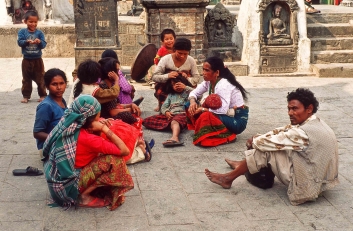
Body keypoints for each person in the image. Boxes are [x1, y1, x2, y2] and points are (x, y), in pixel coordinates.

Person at [205, 88, 339, 206]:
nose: (290, 113)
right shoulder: (316, 122)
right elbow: (284, 131)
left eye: (294, 109)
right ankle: (242, 164)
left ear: (309, 109)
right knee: (274, 142)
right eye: (289, 108)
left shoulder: (302, 133)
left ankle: (227, 178)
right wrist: (261, 136)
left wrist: (254, 140)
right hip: (321, 181)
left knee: (265, 150)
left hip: (307, 187)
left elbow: (264, 143)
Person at [43, 95, 134, 210]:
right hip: (69, 188)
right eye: (98, 114)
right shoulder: (87, 138)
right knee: (114, 160)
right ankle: (83, 196)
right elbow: (124, 151)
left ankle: (91, 189)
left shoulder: (68, 122)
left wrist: (99, 123)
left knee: (103, 153)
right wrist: (104, 129)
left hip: (57, 182)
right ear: (92, 118)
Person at [187, 56, 249, 147]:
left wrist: (203, 109)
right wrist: (192, 102)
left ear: (216, 72)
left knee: (206, 115)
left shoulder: (223, 84)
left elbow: (222, 110)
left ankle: (227, 135)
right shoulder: (208, 81)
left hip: (236, 119)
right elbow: (194, 93)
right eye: (203, 70)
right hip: (225, 114)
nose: (203, 73)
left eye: (207, 70)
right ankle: (207, 130)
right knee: (188, 104)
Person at [143, 75, 193, 147]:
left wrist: (185, 87)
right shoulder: (171, 95)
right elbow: (164, 106)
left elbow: (198, 94)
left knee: (175, 121)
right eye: (173, 85)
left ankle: (175, 137)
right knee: (146, 121)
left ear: (183, 83)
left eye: (178, 84)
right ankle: (175, 126)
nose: (176, 86)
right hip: (171, 115)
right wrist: (166, 112)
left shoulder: (188, 93)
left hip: (182, 114)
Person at [152, 38, 200, 112]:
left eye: (185, 54)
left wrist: (187, 78)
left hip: (185, 88)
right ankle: (164, 107)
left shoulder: (191, 60)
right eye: (180, 53)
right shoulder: (165, 59)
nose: (182, 56)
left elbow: (196, 78)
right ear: (174, 50)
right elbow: (155, 76)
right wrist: (168, 76)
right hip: (168, 88)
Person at [33, 68, 68, 159]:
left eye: (61, 83)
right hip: (49, 148)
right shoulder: (46, 106)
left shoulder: (62, 101)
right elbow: (37, 133)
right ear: (47, 86)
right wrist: (59, 138)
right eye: (54, 84)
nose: (59, 88)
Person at [17, 10, 47, 103]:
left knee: (40, 78)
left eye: (35, 22)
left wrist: (39, 42)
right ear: (25, 21)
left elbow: (44, 44)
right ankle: (26, 96)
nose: (33, 24)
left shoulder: (39, 33)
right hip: (26, 59)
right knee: (26, 79)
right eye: (30, 21)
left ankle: (42, 95)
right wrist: (26, 41)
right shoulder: (22, 32)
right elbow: (19, 42)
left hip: (37, 60)